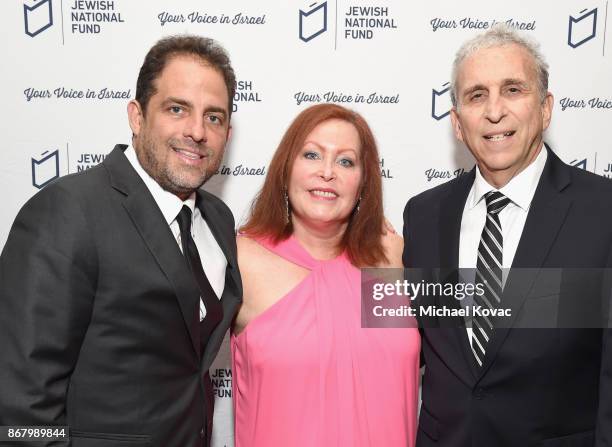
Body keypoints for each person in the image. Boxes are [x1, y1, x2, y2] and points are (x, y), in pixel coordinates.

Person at [0, 35, 241, 447]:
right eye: (177, 109)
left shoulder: (217, 220)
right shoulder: (69, 210)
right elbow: (18, 406)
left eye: (214, 117)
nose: (197, 131)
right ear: (136, 115)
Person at [403, 24, 612, 446]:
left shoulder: (603, 211)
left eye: (513, 89)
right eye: (476, 95)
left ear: (546, 108)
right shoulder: (422, 215)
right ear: (458, 123)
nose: (494, 111)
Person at [231, 103, 420, 446]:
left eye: (346, 161)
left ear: (364, 183)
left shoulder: (393, 258)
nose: (328, 172)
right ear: (286, 169)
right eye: (312, 155)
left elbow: (515, 308)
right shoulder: (241, 259)